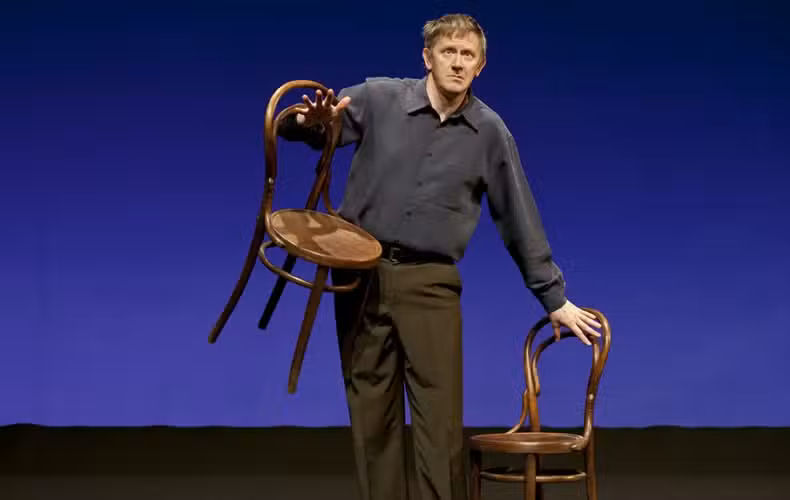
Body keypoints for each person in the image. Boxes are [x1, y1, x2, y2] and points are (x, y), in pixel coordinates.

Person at [278, 13, 602, 500]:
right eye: (448, 52)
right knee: (371, 414)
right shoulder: (379, 98)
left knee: (439, 422)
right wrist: (307, 121)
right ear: (427, 58)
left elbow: (518, 216)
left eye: (467, 55)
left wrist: (552, 297)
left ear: (481, 65)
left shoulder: (489, 132)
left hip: (430, 283)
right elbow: (304, 127)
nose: (457, 62)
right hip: (360, 277)